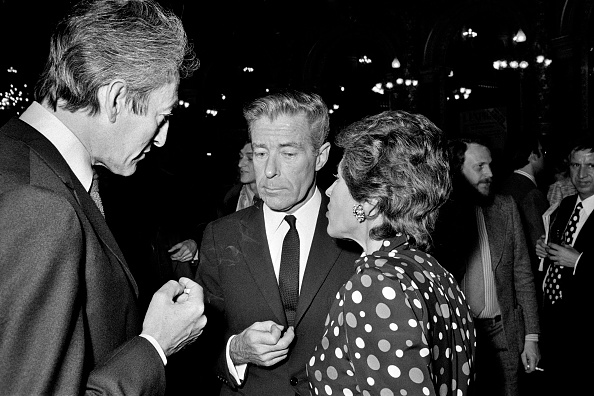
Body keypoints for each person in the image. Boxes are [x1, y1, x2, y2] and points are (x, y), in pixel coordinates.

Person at [0, 1, 206, 394]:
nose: (162, 138)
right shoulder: (40, 209)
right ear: (114, 99)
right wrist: (154, 347)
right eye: (160, 117)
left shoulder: (16, 158)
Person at [196, 90, 361, 395]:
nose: (269, 171)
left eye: (288, 153)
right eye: (260, 153)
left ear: (320, 157)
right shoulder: (222, 236)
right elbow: (199, 344)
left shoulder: (357, 237)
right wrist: (236, 352)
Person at [305, 110, 475, 395]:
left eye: (339, 178)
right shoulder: (431, 269)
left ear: (370, 202)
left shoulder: (375, 283)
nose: (331, 191)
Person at [433, 139, 541, 396]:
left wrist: (532, 338)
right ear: (457, 170)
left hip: (504, 334)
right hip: (459, 338)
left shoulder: (505, 207)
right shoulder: (438, 218)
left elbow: (523, 275)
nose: (489, 174)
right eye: (479, 166)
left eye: (490, 166)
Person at [535, 136, 594, 395]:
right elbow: (557, 249)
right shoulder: (566, 205)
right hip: (555, 323)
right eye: (575, 165)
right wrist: (543, 250)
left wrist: (579, 261)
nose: (581, 174)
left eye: (591, 166)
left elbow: (574, 256)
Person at [498, 136, 549, 302]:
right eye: (542, 152)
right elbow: (540, 243)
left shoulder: (503, 186)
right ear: (532, 155)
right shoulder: (531, 193)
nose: (544, 156)